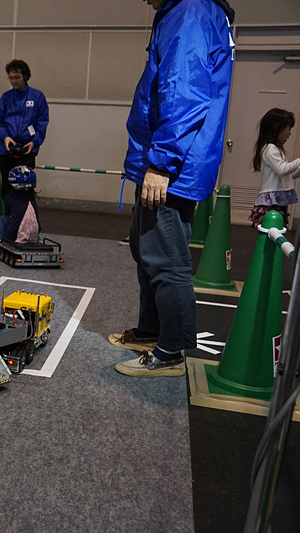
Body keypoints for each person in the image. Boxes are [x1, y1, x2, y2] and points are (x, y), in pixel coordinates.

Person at [110, 0, 235, 378]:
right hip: (164, 159)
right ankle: (151, 332)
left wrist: (162, 164)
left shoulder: (190, 12)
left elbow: (184, 92)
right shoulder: (184, 12)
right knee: (146, 249)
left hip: (172, 164)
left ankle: (170, 352)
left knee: (166, 259)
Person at [0, 59, 49, 199]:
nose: (14, 81)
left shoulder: (37, 96)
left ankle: (25, 217)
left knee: (25, 188)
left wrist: (34, 142)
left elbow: (42, 122)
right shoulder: (5, 98)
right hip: (7, 148)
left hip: (28, 148)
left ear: (25, 76)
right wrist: (5, 138)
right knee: (6, 187)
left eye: (17, 77)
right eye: (11, 78)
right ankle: (9, 217)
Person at [248, 108, 300, 229]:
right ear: (277, 128)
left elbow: (284, 175)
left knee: (275, 232)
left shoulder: (275, 149)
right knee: (271, 232)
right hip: (270, 202)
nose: (290, 133)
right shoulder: (270, 149)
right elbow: (282, 169)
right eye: (288, 129)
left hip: (277, 201)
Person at [0, 165, 40, 251]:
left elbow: (9, 216)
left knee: (3, 219)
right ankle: (38, 240)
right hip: (33, 235)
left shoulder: (9, 197)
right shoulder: (32, 198)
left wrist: (5, 237)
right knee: (31, 221)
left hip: (13, 234)